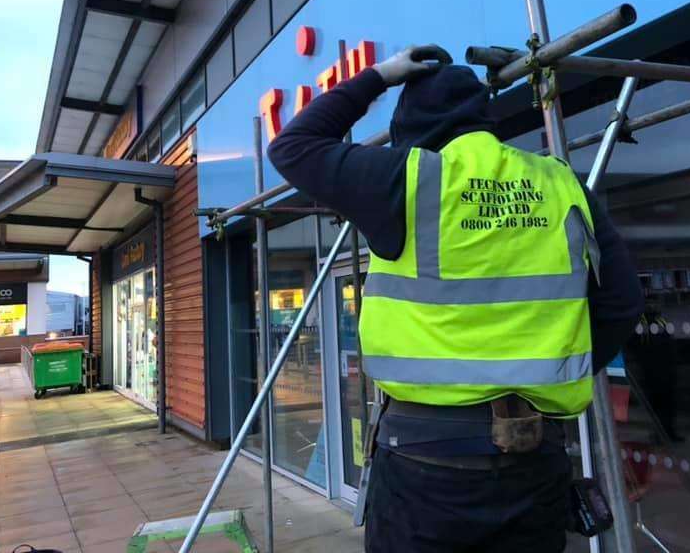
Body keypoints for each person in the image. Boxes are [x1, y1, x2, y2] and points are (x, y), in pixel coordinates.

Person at [269, 46, 643, 553]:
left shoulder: (408, 178)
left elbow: (292, 145)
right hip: (534, 454)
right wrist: (551, 369)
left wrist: (378, 76)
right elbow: (620, 303)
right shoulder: (562, 183)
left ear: (411, 126)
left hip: (425, 462)